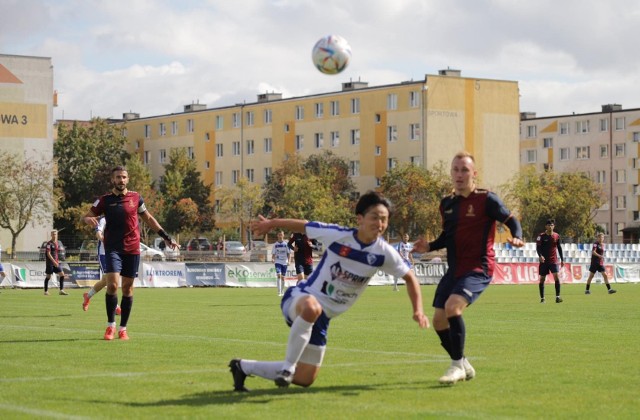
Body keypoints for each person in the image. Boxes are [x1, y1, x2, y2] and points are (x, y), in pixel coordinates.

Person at [229, 191, 429, 392]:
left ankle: (242, 367)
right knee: (312, 307)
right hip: (301, 298)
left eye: (384, 219)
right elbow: (304, 225)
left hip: (323, 318)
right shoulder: (339, 235)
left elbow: (410, 277)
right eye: (375, 217)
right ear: (360, 219)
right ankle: (287, 368)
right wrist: (271, 224)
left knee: (306, 378)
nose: (380, 223)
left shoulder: (384, 253)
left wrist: (418, 310)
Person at [412, 151, 523, 385]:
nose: (459, 174)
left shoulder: (487, 200)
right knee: (439, 321)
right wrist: (429, 245)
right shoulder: (447, 204)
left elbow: (512, 221)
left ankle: (456, 366)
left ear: (474, 174)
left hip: (479, 267)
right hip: (454, 270)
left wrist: (517, 236)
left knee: (453, 307)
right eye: (455, 169)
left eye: (464, 170)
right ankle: (463, 362)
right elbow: (447, 236)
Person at [82, 166, 177, 340]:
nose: (121, 180)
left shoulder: (136, 198)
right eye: (118, 177)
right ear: (113, 179)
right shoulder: (104, 200)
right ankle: (110, 326)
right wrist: (89, 219)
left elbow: (148, 218)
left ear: (128, 178)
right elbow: (86, 216)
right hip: (112, 248)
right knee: (112, 285)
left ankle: (123, 329)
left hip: (132, 249)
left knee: (127, 288)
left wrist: (166, 237)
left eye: (124, 177)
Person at [82, 217, 121, 314]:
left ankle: (88, 296)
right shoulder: (104, 220)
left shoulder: (120, 218)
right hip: (104, 254)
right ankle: (116, 307)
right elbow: (98, 233)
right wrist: (103, 239)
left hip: (116, 253)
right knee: (111, 280)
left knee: (105, 281)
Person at [536, 218, 564, 303]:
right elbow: (538, 248)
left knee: (556, 277)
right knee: (542, 279)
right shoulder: (541, 236)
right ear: (546, 226)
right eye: (548, 225)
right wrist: (540, 256)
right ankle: (542, 298)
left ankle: (558, 297)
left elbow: (559, 248)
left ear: (554, 226)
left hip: (553, 260)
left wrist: (562, 259)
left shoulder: (556, 236)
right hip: (544, 261)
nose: (550, 226)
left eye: (552, 225)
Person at [44, 230, 67, 296]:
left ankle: (61, 290)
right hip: (50, 263)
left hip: (56, 262)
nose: (54, 235)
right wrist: (53, 261)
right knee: (48, 276)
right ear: (51, 235)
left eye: (55, 234)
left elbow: (55, 253)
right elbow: (48, 253)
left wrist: (57, 261)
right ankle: (46, 291)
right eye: (53, 234)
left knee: (62, 274)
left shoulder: (57, 243)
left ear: (57, 235)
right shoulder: (49, 243)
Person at [272, 231, 292, 296]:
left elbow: (289, 254)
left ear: (283, 235)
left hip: (284, 262)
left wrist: (289, 261)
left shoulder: (286, 244)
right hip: (277, 261)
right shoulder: (275, 245)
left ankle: (282, 291)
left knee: (283, 277)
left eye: (281, 235)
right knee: (278, 275)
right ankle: (279, 292)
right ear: (277, 235)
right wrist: (273, 259)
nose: (280, 236)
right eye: (279, 234)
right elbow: (273, 254)